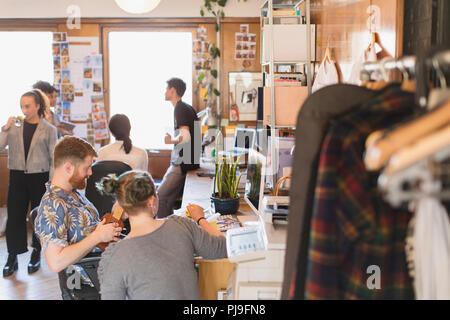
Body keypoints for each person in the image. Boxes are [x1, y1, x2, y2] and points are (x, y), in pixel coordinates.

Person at [96, 170, 226, 300]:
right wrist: (200, 219)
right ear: (152, 201)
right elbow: (224, 249)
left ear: (122, 205)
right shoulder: (182, 226)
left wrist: (118, 212)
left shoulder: (113, 257)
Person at [34, 136, 122, 278]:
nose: (90, 173)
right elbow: (56, 263)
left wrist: (118, 213)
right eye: (86, 168)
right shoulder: (53, 206)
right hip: (90, 277)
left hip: (105, 263)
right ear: (68, 167)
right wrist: (97, 236)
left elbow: (91, 229)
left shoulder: (73, 194)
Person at [1, 89, 58, 277]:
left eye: (27, 106)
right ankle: (12, 257)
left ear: (37, 106)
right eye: (21, 106)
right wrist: (5, 129)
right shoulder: (15, 126)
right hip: (17, 176)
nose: (23, 110)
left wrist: (51, 183)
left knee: (38, 217)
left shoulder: (49, 129)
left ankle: (36, 253)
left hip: (40, 178)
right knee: (15, 216)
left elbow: (53, 158)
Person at [158, 77, 200, 218]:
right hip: (188, 162)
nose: (164, 92)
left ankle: (162, 231)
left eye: (166, 89)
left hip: (182, 163)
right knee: (169, 199)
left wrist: (170, 140)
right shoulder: (187, 107)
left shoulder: (180, 108)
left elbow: (186, 137)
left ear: (173, 90)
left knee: (160, 197)